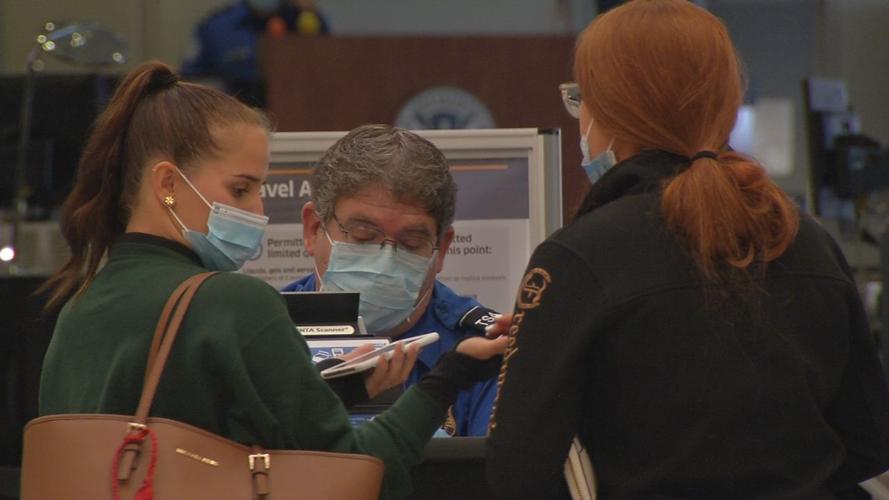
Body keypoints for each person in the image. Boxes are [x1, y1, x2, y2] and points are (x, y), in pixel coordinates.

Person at [37, 61, 507, 500]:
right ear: (167, 185)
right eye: (241, 188)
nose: (259, 211)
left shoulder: (79, 305)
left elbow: (213, 419)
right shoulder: (235, 303)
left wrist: (339, 388)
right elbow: (358, 473)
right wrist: (447, 380)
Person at [486, 1, 889, 498]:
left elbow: (517, 468)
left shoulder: (578, 257)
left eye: (581, 98)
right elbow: (867, 440)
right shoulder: (805, 239)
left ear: (614, 111)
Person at [282, 124, 501, 437]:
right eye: (363, 235)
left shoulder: (483, 351)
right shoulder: (264, 332)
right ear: (313, 229)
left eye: (411, 242)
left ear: (441, 250)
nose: (384, 259)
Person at [181, 0, 330, 101]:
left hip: (294, 118)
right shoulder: (216, 27)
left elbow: (330, 65)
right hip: (233, 117)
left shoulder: (302, 19)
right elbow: (190, 81)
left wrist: (311, 14)